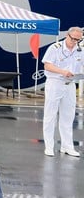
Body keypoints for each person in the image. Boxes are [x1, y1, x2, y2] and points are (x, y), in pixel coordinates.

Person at [41, 26, 83, 157]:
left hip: (70, 84)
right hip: (55, 82)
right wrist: (62, 71)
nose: (74, 41)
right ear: (67, 36)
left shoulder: (80, 50)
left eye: (78, 39)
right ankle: (49, 146)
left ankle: (67, 146)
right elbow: (47, 65)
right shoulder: (55, 48)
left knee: (68, 116)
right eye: (73, 38)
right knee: (50, 115)